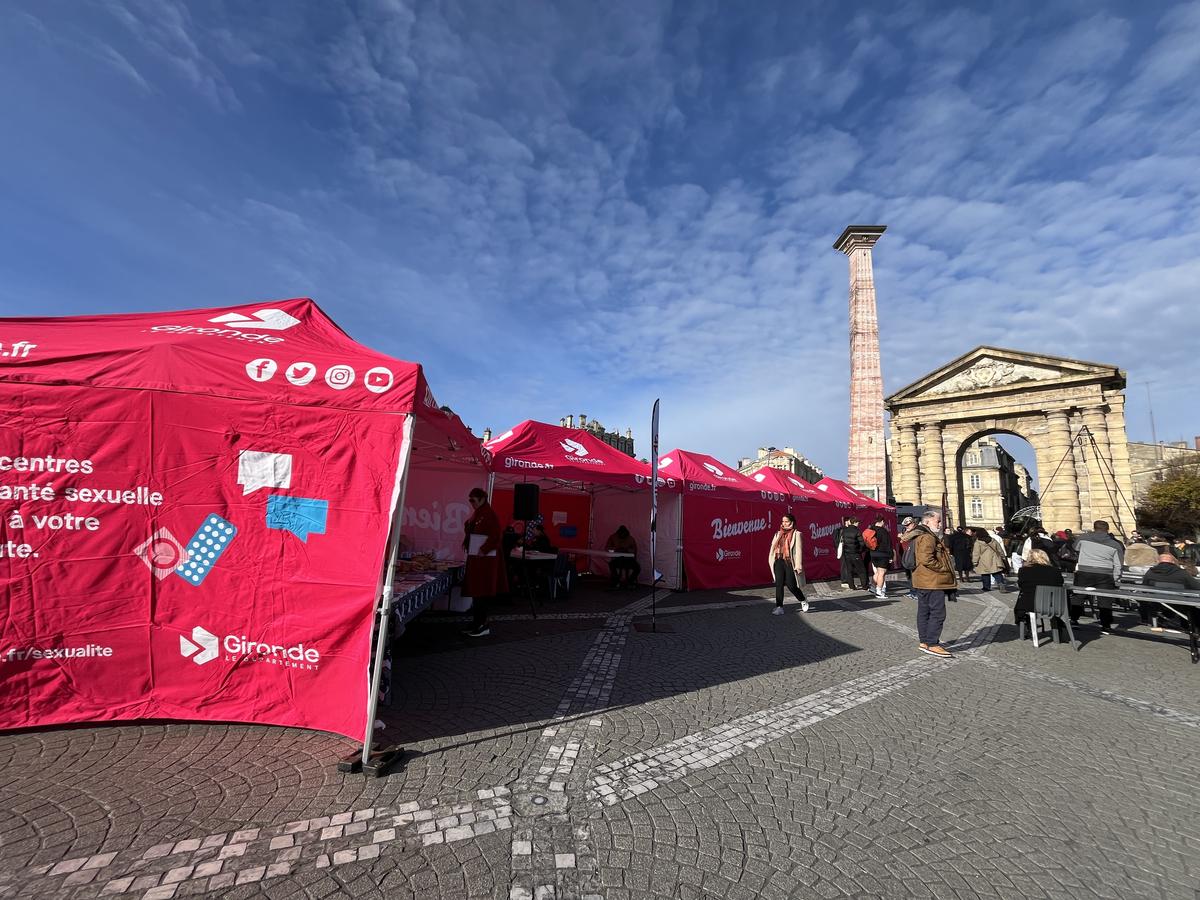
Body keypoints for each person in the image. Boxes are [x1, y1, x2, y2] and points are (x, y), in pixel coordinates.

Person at [910, 509, 956, 659]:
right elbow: (926, 559)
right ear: (928, 521)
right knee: (937, 612)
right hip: (932, 581)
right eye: (938, 521)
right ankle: (932, 643)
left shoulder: (921, 535)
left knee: (924, 611)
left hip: (924, 580)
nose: (940, 524)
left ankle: (925, 641)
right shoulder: (927, 537)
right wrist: (943, 568)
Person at [463, 488, 507, 638]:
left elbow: (496, 536)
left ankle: (482, 624)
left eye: (473, 500)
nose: (471, 503)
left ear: (482, 499)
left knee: (481, 593)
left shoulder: (489, 514)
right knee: (476, 593)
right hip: (478, 559)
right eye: (470, 500)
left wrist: (484, 549)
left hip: (485, 561)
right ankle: (477, 622)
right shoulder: (479, 514)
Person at [1070, 520, 1124, 634]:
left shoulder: (1083, 538)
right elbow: (1118, 563)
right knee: (1105, 600)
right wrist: (1116, 577)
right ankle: (1106, 625)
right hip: (1105, 573)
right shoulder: (1115, 544)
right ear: (1107, 530)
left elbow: (1075, 548)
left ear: (1094, 528)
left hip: (1084, 570)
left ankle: (1074, 619)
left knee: (1078, 596)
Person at [1141, 549, 1200, 632]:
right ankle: (1190, 626)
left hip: (1157, 602)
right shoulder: (1182, 573)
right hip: (1181, 603)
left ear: (1158, 561)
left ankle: (1156, 619)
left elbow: (1144, 587)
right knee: (1193, 607)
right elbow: (1196, 587)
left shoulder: (1150, 572)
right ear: (1173, 561)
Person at [1014, 548, 1065, 636]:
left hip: (1030, 605)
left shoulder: (1024, 570)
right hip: (1053, 605)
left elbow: (1021, 585)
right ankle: (1058, 629)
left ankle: (1025, 623)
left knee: (1022, 598)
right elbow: (1060, 584)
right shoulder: (1055, 571)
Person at [768, 513, 809, 614]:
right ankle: (779, 607)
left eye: (786, 521)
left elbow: (798, 550)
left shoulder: (797, 534)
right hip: (778, 560)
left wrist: (798, 565)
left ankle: (803, 600)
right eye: (783, 521)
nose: (784, 523)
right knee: (779, 584)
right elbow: (773, 548)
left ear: (792, 522)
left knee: (791, 585)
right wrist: (771, 558)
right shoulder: (778, 533)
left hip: (790, 561)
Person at [863, 515, 893, 599]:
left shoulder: (871, 529)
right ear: (882, 521)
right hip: (883, 554)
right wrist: (891, 556)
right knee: (882, 573)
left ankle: (872, 587)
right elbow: (888, 545)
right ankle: (879, 592)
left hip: (873, 554)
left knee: (877, 572)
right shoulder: (883, 531)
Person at [971, 527, 1007, 592]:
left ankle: (986, 587)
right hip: (994, 559)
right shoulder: (993, 540)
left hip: (983, 560)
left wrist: (975, 562)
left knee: (985, 574)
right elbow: (999, 549)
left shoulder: (978, 542)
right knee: (997, 573)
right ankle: (1001, 584)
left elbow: (976, 553)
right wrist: (1003, 557)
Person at [837, 517, 868, 591]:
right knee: (861, 570)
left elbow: (842, 542)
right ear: (855, 522)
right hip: (855, 554)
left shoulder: (844, 531)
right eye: (858, 523)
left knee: (849, 570)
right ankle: (864, 586)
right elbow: (862, 544)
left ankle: (851, 586)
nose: (858, 524)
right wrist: (860, 550)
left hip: (847, 554)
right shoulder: (857, 531)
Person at [898, 516, 920, 598]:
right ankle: (912, 591)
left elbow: (905, 538)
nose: (906, 527)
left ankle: (917, 593)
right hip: (907, 555)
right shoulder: (908, 532)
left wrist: (902, 536)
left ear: (913, 523)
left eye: (908, 525)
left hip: (914, 556)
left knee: (915, 575)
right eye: (905, 526)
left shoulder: (916, 531)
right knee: (909, 575)